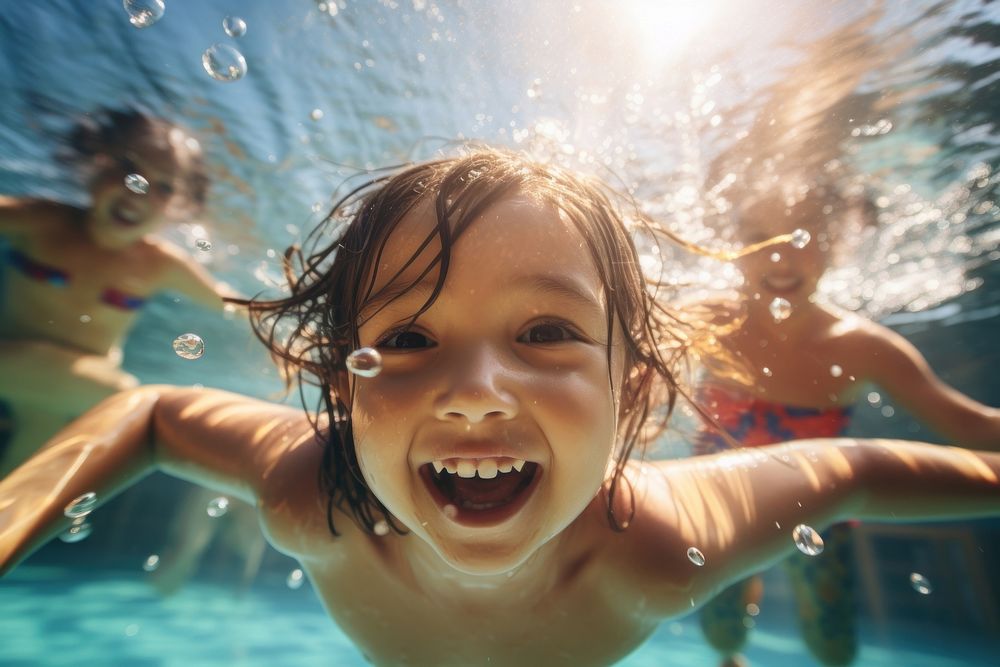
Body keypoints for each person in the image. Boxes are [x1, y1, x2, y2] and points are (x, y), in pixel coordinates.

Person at [1, 149, 998, 667]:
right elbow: (152, 411)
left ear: (635, 392)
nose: (475, 394)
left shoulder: (660, 540)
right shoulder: (317, 491)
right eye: (405, 340)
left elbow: (851, 469)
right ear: (343, 392)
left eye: (546, 333)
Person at [693, 181, 1000, 667]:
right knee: (721, 628)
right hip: (717, 502)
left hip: (817, 511)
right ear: (735, 245)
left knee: (833, 639)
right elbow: (630, 373)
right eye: (758, 235)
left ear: (838, 240)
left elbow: (973, 425)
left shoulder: (863, 346)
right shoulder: (708, 321)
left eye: (803, 233)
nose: (779, 257)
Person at [0, 108, 233, 475]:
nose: (137, 190)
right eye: (128, 166)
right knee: (133, 406)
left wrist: (293, 341)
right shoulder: (43, 221)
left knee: (119, 401)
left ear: (178, 205)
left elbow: (231, 302)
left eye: (165, 187)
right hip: (37, 373)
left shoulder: (160, 264)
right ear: (95, 164)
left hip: (80, 386)